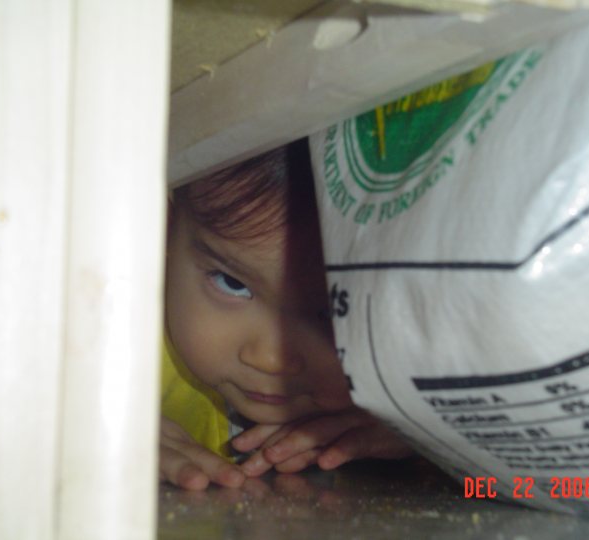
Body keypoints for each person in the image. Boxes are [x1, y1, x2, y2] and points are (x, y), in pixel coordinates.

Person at [160, 140, 413, 490]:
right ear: (161, 236)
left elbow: (502, 484)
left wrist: (426, 440)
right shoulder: (100, 349)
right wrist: (85, 431)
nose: (270, 358)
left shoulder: (417, 372)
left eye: (331, 309)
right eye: (232, 283)